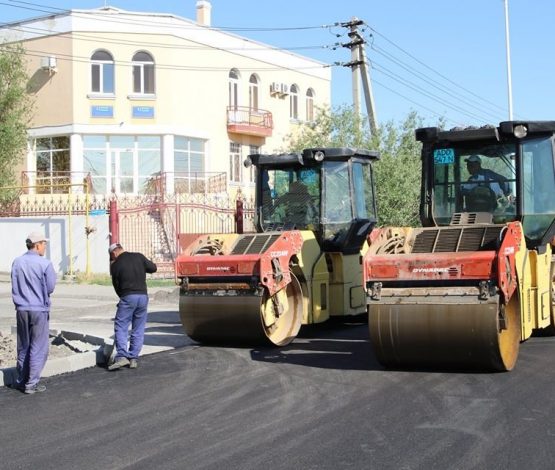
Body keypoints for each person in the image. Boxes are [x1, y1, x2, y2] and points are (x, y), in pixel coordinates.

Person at [11, 231, 56, 394]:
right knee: (38, 347)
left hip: (21, 309)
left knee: (23, 345)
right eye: (44, 244)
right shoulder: (45, 264)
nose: (45, 247)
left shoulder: (17, 262)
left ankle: (21, 380)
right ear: (37, 245)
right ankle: (31, 384)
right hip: (39, 310)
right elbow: (50, 287)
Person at [108, 243, 157, 370]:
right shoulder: (139, 257)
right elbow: (153, 268)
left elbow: (116, 286)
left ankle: (121, 356)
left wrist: (123, 297)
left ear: (114, 253)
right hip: (143, 297)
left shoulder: (115, 265)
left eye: (112, 257)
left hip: (128, 296)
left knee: (121, 325)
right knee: (138, 327)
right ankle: (133, 357)